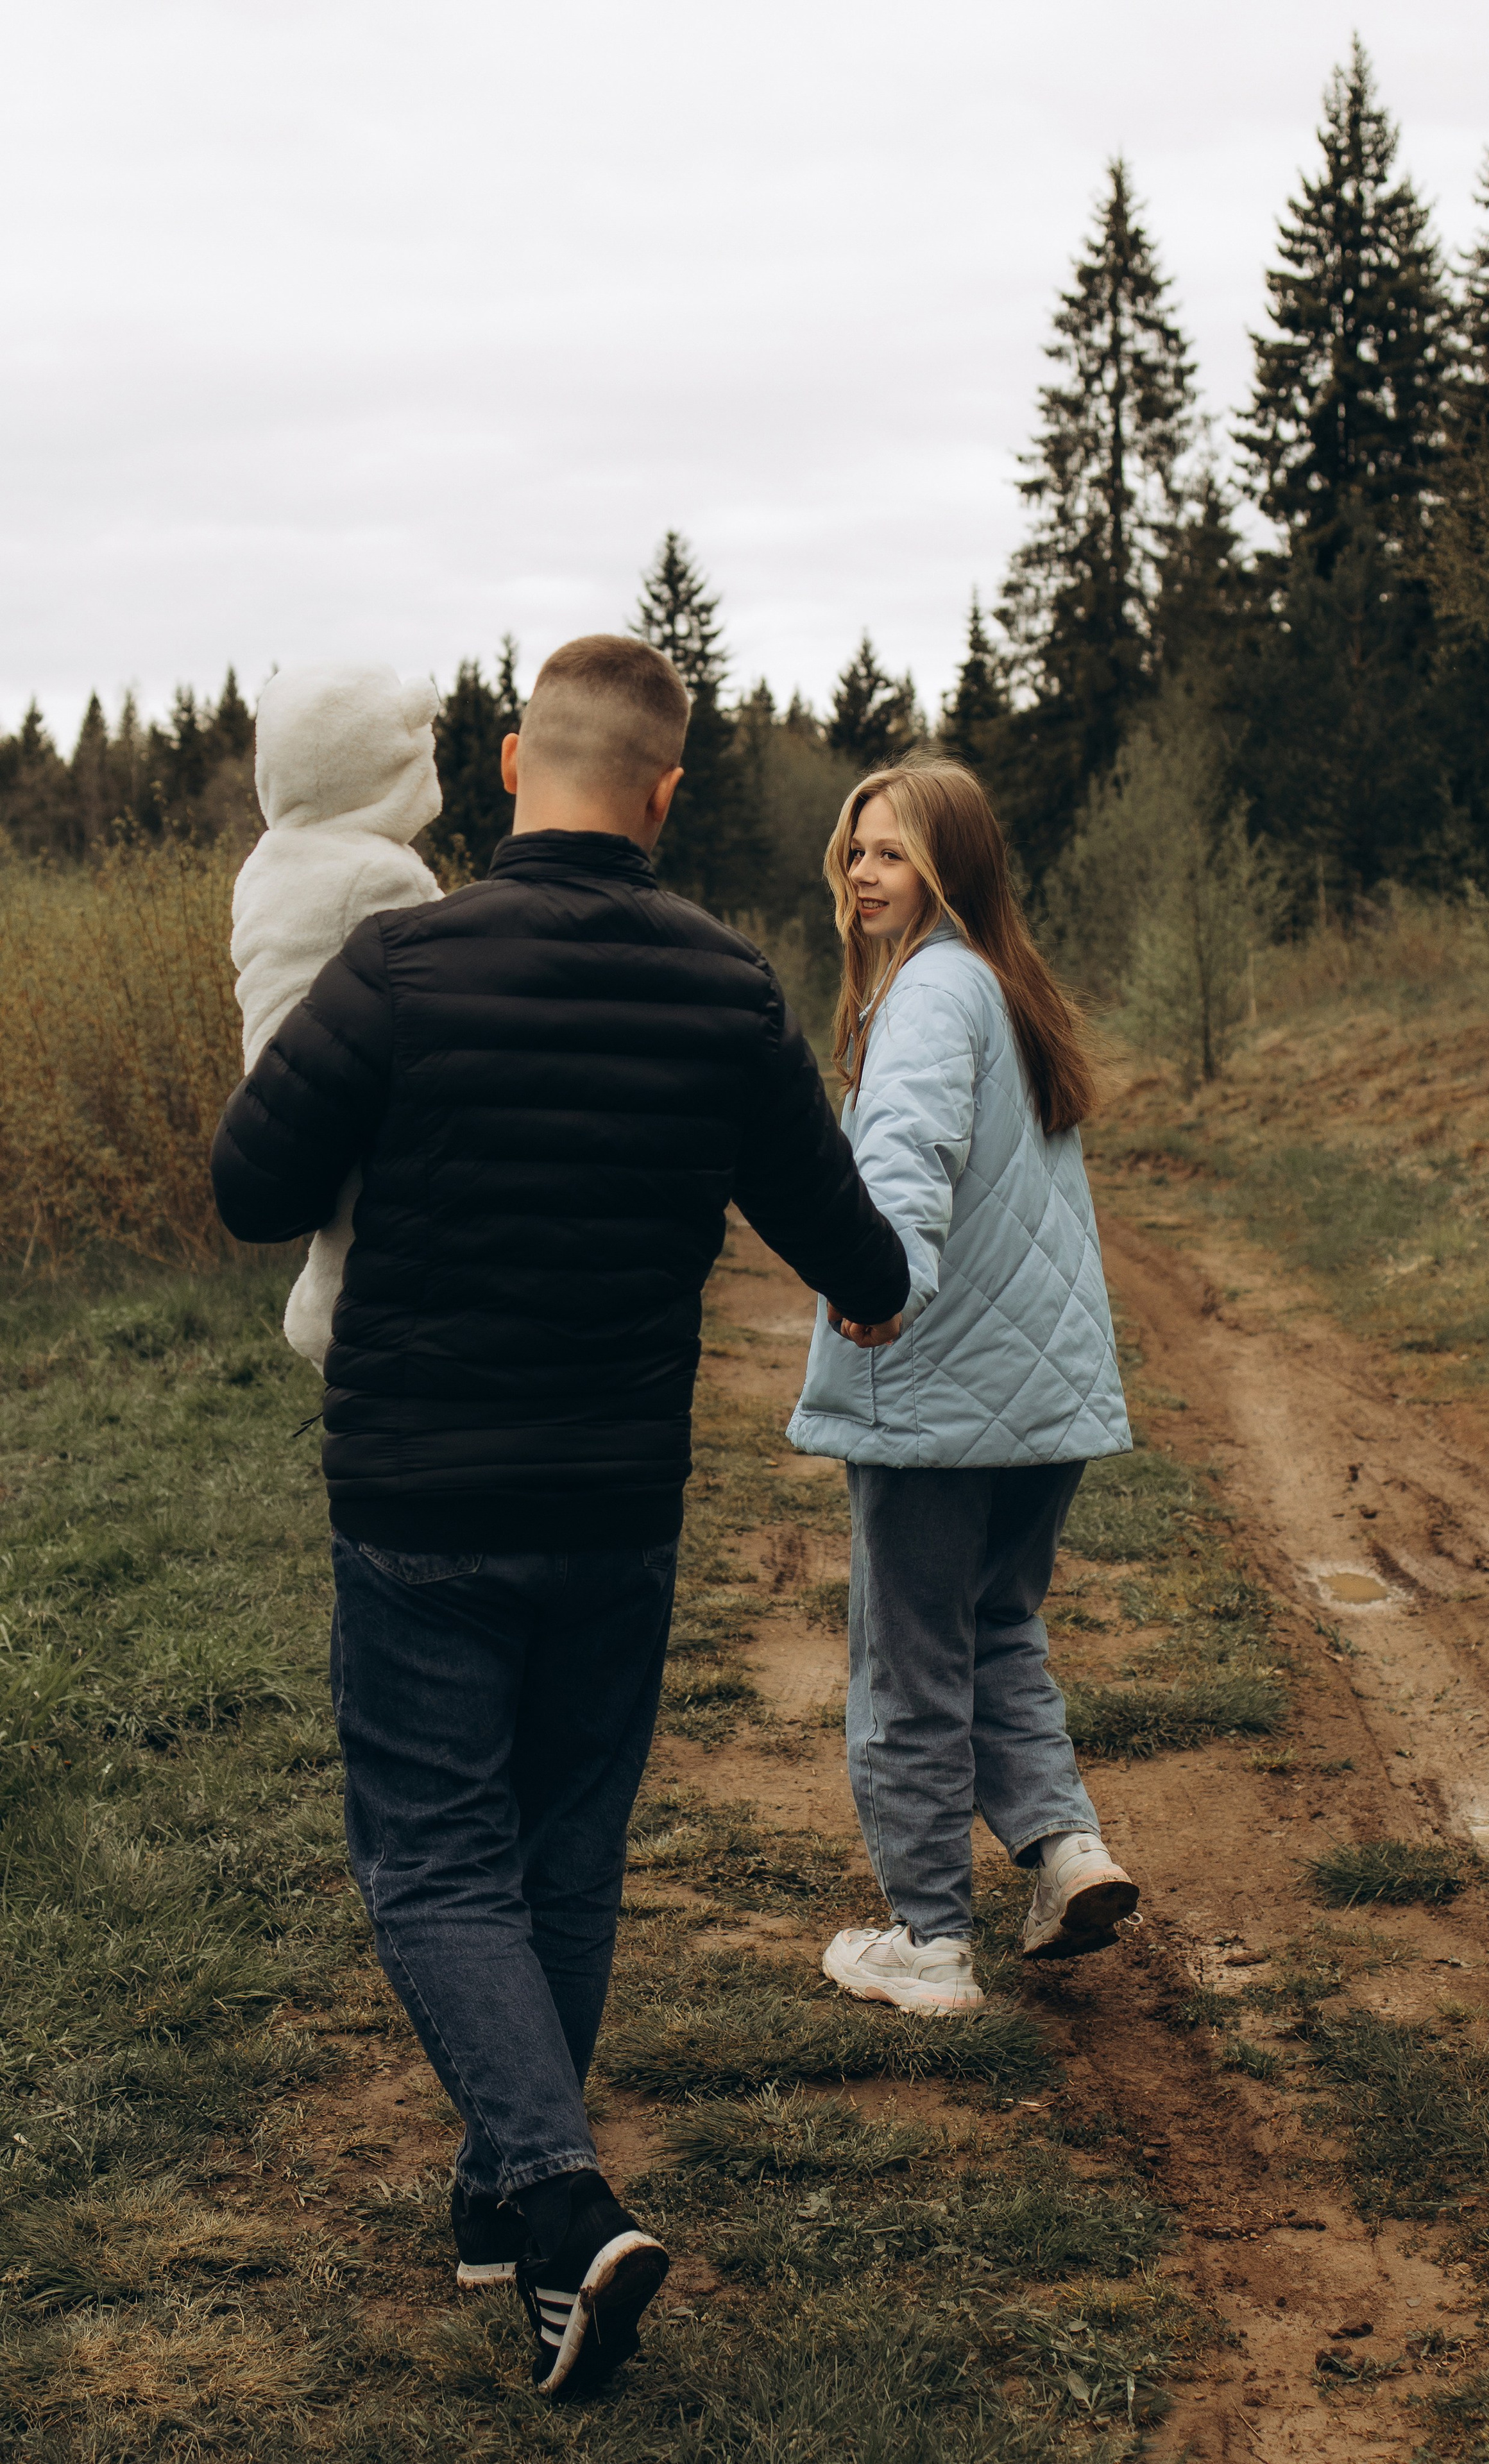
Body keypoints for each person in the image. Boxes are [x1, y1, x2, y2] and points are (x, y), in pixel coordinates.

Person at [210, 635, 909, 2399]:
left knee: (437, 1859)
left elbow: (248, 1190)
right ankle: (501, 2219)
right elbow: (863, 1265)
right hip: (615, 1505)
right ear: (664, 796)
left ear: (514, 763)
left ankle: (559, 2192)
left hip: (419, 1497)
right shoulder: (727, 992)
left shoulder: (396, 964)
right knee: (563, 1857)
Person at [787, 758, 1139, 2017]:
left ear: (950, 869)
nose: (861, 875)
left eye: (890, 854)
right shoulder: (1007, 987)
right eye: (857, 850)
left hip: (938, 1393)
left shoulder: (929, 992)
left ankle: (927, 1941)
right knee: (995, 1632)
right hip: (1037, 1400)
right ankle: (1062, 1852)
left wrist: (883, 1281)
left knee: (908, 1664)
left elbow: (906, 1153)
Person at [228, 662, 443, 1367]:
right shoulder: (382, 878)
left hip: (288, 1096)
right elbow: (443, 1007)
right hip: (372, 1122)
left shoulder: (271, 863)